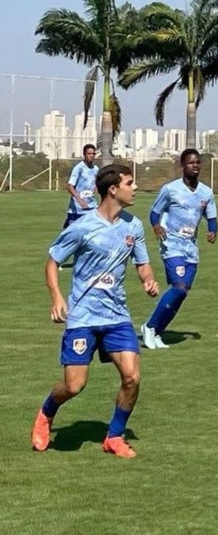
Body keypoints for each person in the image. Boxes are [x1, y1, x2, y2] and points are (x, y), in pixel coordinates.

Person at [31, 164, 159, 459]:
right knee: (75, 385)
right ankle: (46, 413)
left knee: (132, 378)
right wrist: (56, 297)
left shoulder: (133, 226)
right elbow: (52, 262)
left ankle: (114, 436)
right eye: (130, 182)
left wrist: (148, 279)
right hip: (84, 318)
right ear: (113, 189)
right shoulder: (82, 227)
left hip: (117, 318)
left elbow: (143, 264)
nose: (135, 187)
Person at [140, 149, 217, 351]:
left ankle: (157, 331)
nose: (195, 166)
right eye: (191, 163)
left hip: (191, 247)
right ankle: (149, 326)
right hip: (172, 243)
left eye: (198, 162)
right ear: (183, 166)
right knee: (179, 286)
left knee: (183, 293)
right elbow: (154, 213)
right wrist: (156, 226)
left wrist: (212, 231)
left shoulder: (206, 192)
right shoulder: (170, 189)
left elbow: (212, 217)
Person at [63, 144, 99, 228]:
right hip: (78, 209)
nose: (91, 156)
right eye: (89, 154)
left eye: (93, 154)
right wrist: (80, 200)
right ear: (84, 155)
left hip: (92, 206)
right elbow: (70, 186)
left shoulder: (96, 169)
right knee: (72, 236)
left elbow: (97, 182)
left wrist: (95, 189)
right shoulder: (79, 168)